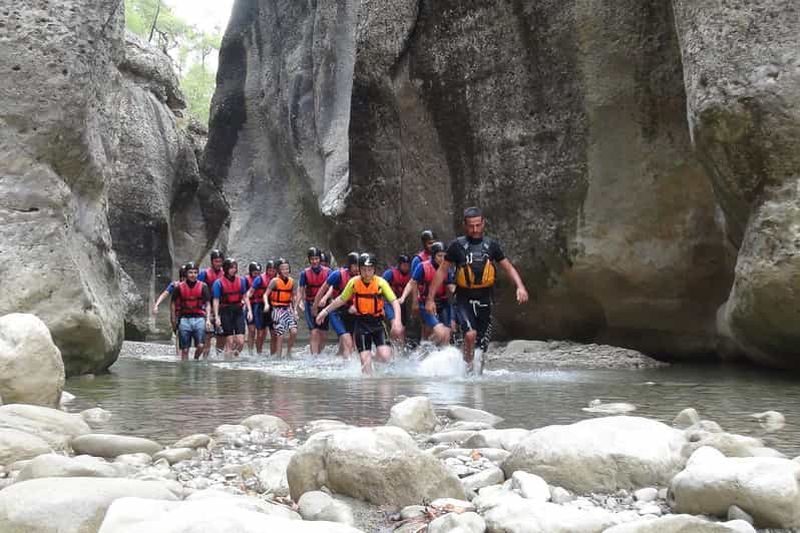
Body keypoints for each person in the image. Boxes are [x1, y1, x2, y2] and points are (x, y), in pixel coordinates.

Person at [425, 207, 529, 373]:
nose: (475, 229)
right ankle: (467, 372)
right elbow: (442, 271)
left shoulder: (491, 245)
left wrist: (520, 287)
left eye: (478, 225)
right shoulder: (457, 246)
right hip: (463, 298)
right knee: (470, 335)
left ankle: (477, 375)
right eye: (471, 226)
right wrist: (430, 299)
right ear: (464, 225)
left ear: (483, 223)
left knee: (481, 347)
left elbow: (508, 267)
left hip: (485, 298)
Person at [317, 253, 402, 375]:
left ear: (374, 269)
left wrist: (397, 321)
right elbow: (341, 299)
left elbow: (394, 302)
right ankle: (367, 383)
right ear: (360, 269)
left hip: (377, 324)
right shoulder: (353, 282)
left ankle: (374, 361)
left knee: (385, 356)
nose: (367, 273)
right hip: (361, 324)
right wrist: (325, 311)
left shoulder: (381, 283)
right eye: (364, 269)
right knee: (365, 362)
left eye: (369, 270)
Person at [399, 242, 455, 346]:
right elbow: (413, 282)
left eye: (444, 256)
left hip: (443, 302)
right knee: (439, 332)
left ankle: (437, 351)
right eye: (439, 256)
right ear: (433, 256)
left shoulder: (447, 268)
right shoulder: (423, 266)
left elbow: (451, 286)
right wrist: (412, 301)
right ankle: (425, 348)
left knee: (447, 334)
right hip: (426, 303)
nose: (442, 259)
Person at [312, 252, 360, 358]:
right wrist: (315, 306)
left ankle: (341, 361)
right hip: (337, 311)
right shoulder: (337, 275)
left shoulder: (362, 277)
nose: (357, 269)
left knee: (352, 344)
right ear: (349, 265)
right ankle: (348, 365)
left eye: (359, 266)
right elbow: (322, 290)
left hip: (352, 312)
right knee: (347, 341)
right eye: (355, 266)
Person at [212, 258, 251, 359]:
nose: (234, 270)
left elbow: (245, 296)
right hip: (225, 311)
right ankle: (228, 362)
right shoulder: (218, 283)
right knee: (229, 341)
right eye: (231, 268)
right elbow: (216, 300)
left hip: (238, 311)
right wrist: (216, 317)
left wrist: (249, 311)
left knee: (241, 342)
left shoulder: (241, 281)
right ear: (226, 269)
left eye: (235, 268)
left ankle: (234, 357)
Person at [171, 262, 211, 360]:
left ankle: (195, 359)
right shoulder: (179, 287)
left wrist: (208, 319)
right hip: (184, 319)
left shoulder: (203, 286)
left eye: (195, 273)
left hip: (199, 318)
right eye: (190, 272)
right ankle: (185, 367)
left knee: (201, 345)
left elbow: (207, 304)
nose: (193, 275)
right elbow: (173, 303)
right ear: (186, 274)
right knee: (185, 350)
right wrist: (173, 318)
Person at [263, 258, 298, 357]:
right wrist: (266, 304)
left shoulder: (292, 281)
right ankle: (278, 356)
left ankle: (288, 353)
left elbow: (294, 296)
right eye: (282, 269)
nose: (285, 271)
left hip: (288, 309)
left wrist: (295, 309)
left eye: (287, 268)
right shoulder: (274, 281)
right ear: (278, 270)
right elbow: (265, 294)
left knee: (294, 331)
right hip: (277, 310)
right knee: (280, 334)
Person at [299, 247, 330, 354]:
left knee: (323, 333)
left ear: (320, 259)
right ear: (309, 260)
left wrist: (326, 298)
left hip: (324, 305)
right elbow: (301, 289)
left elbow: (332, 288)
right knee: (314, 331)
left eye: (316, 259)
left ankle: (319, 354)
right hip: (310, 304)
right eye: (312, 259)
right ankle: (314, 357)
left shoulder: (328, 272)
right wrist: (299, 303)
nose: (314, 261)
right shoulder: (304, 273)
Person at [197, 249, 225, 358]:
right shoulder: (204, 274)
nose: (218, 263)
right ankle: (205, 358)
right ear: (212, 261)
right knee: (207, 333)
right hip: (206, 306)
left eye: (220, 261)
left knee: (222, 333)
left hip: (221, 306)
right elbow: (198, 288)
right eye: (216, 261)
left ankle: (219, 357)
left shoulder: (225, 273)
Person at [382, 254, 412, 344]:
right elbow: (379, 287)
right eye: (404, 265)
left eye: (408, 265)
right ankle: (393, 345)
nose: (406, 267)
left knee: (402, 328)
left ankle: (401, 347)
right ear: (399, 265)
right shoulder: (390, 274)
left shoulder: (411, 275)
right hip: (389, 303)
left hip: (401, 303)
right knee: (395, 325)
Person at [245, 262, 266, 354]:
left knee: (261, 331)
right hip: (250, 305)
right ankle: (250, 351)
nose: (257, 275)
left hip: (260, 306)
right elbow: (244, 294)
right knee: (251, 330)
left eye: (258, 273)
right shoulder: (246, 280)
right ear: (250, 272)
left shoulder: (262, 279)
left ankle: (259, 351)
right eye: (255, 273)